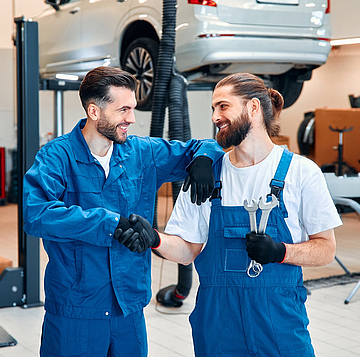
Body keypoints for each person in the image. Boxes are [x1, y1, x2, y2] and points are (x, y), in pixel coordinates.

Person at [116, 72, 342, 356]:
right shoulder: (206, 177)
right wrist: (155, 239)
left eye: (223, 106)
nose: (215, 116)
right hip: (218, 324)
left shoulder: (301, 172)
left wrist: (281, 252)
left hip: (280, 323)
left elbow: (326, 249)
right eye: (213, 108)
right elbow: (188, 250)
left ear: (253, 108)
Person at [23, 66, 224, 357]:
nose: (131, 118)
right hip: (76, 310)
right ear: (94, 112)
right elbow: (36, 213)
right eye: (123, 110)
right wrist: (108, 223)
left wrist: (205, 157)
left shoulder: (142, 152)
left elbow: (201, 146)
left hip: (128, 307)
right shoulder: (56, 156)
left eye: (133, 109)